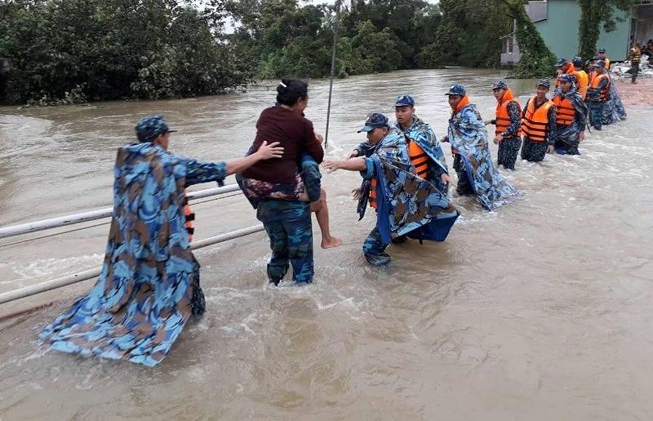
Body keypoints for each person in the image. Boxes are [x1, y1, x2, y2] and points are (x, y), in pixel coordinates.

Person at [40, 115, 283, 367]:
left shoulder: (126, 159)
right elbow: (218, 169)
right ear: (159, 137)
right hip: (160, 240)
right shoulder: (168, 163)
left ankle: (142, 315)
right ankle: (191, 320)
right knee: (188, 272)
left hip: (128, 241)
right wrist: (259, 155)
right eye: (167, 136)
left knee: (136, 281)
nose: (168, 140)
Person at [239, 79, 340, 285]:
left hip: (261, 195)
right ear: (300, 101)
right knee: (301, 255)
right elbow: (317, 156)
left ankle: (274, 284)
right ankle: (302, 301)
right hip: (289, 197)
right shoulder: (302, 124)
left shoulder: (266, 114)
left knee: (278, 250)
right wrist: (316, 139)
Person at [324, 113, 458, 266]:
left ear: (384, 130)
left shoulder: (393, 147)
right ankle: (411, 264)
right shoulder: (388, 137)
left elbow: (369, 163)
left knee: (370, 248)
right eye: (367, 132)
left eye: (370, 132)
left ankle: (392, 281)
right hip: (397, 201)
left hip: (401, 205)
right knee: (398, 239)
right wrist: (362, 178)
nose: (368, 135)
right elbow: (371, 152)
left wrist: (340, 164)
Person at [441, 84, 520, 210]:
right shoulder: (458, 112)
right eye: (450, 98)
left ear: (462, 98)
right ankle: (470, 207)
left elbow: (480, 133)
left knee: (463, 190)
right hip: (460, 155)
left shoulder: (469, 112)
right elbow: (464, 133)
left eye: (454, 98)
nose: (451, 101)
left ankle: (466, 212)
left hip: (470, 158)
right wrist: (448, 138)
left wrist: (471, 153)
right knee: (468, 188)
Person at [485, 81, 522, 170]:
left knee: (508, 168)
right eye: (494, 91)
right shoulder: (501, 103)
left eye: (498, 90)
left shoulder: (511, 104)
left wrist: (502, 135)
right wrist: (491, 121)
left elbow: (516, 123)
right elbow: (504, 121)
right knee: (500, 165)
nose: (496, 93)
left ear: (505, 90)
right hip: (504, 139)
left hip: (512, 140)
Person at [520, 79, 557, 162]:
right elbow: (523, 115)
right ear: (535, 88)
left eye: (543, 89)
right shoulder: (530, 101)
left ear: (547, 90)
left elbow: (553, 126)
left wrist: (551, 143)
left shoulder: (551, 106)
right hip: (527, 138)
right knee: (524, 160)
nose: (540, 91)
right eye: (538, 88)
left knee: (536, 163)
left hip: (540, 141)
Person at [552, 74, 587, 155]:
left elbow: (582, 115)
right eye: (561, 83)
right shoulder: (556, 94)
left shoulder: (576, 97)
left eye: (565, 83)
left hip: (571, 131)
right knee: (557, 153)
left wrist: (582, 131)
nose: (562, 85)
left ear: (570, 83)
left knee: (572, 154)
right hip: (557, 130)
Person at [586, 59, 611, 130]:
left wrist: (585, 92)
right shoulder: (595, 74)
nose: (596, 69)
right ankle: (594, 133)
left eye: (598, 67)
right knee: (591, 117)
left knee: (596, 117)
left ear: (602, 68)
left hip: (599, 101)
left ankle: (598, 130)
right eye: (595, 67)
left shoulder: (604, 78)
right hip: (592, 99)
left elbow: (597, 90)